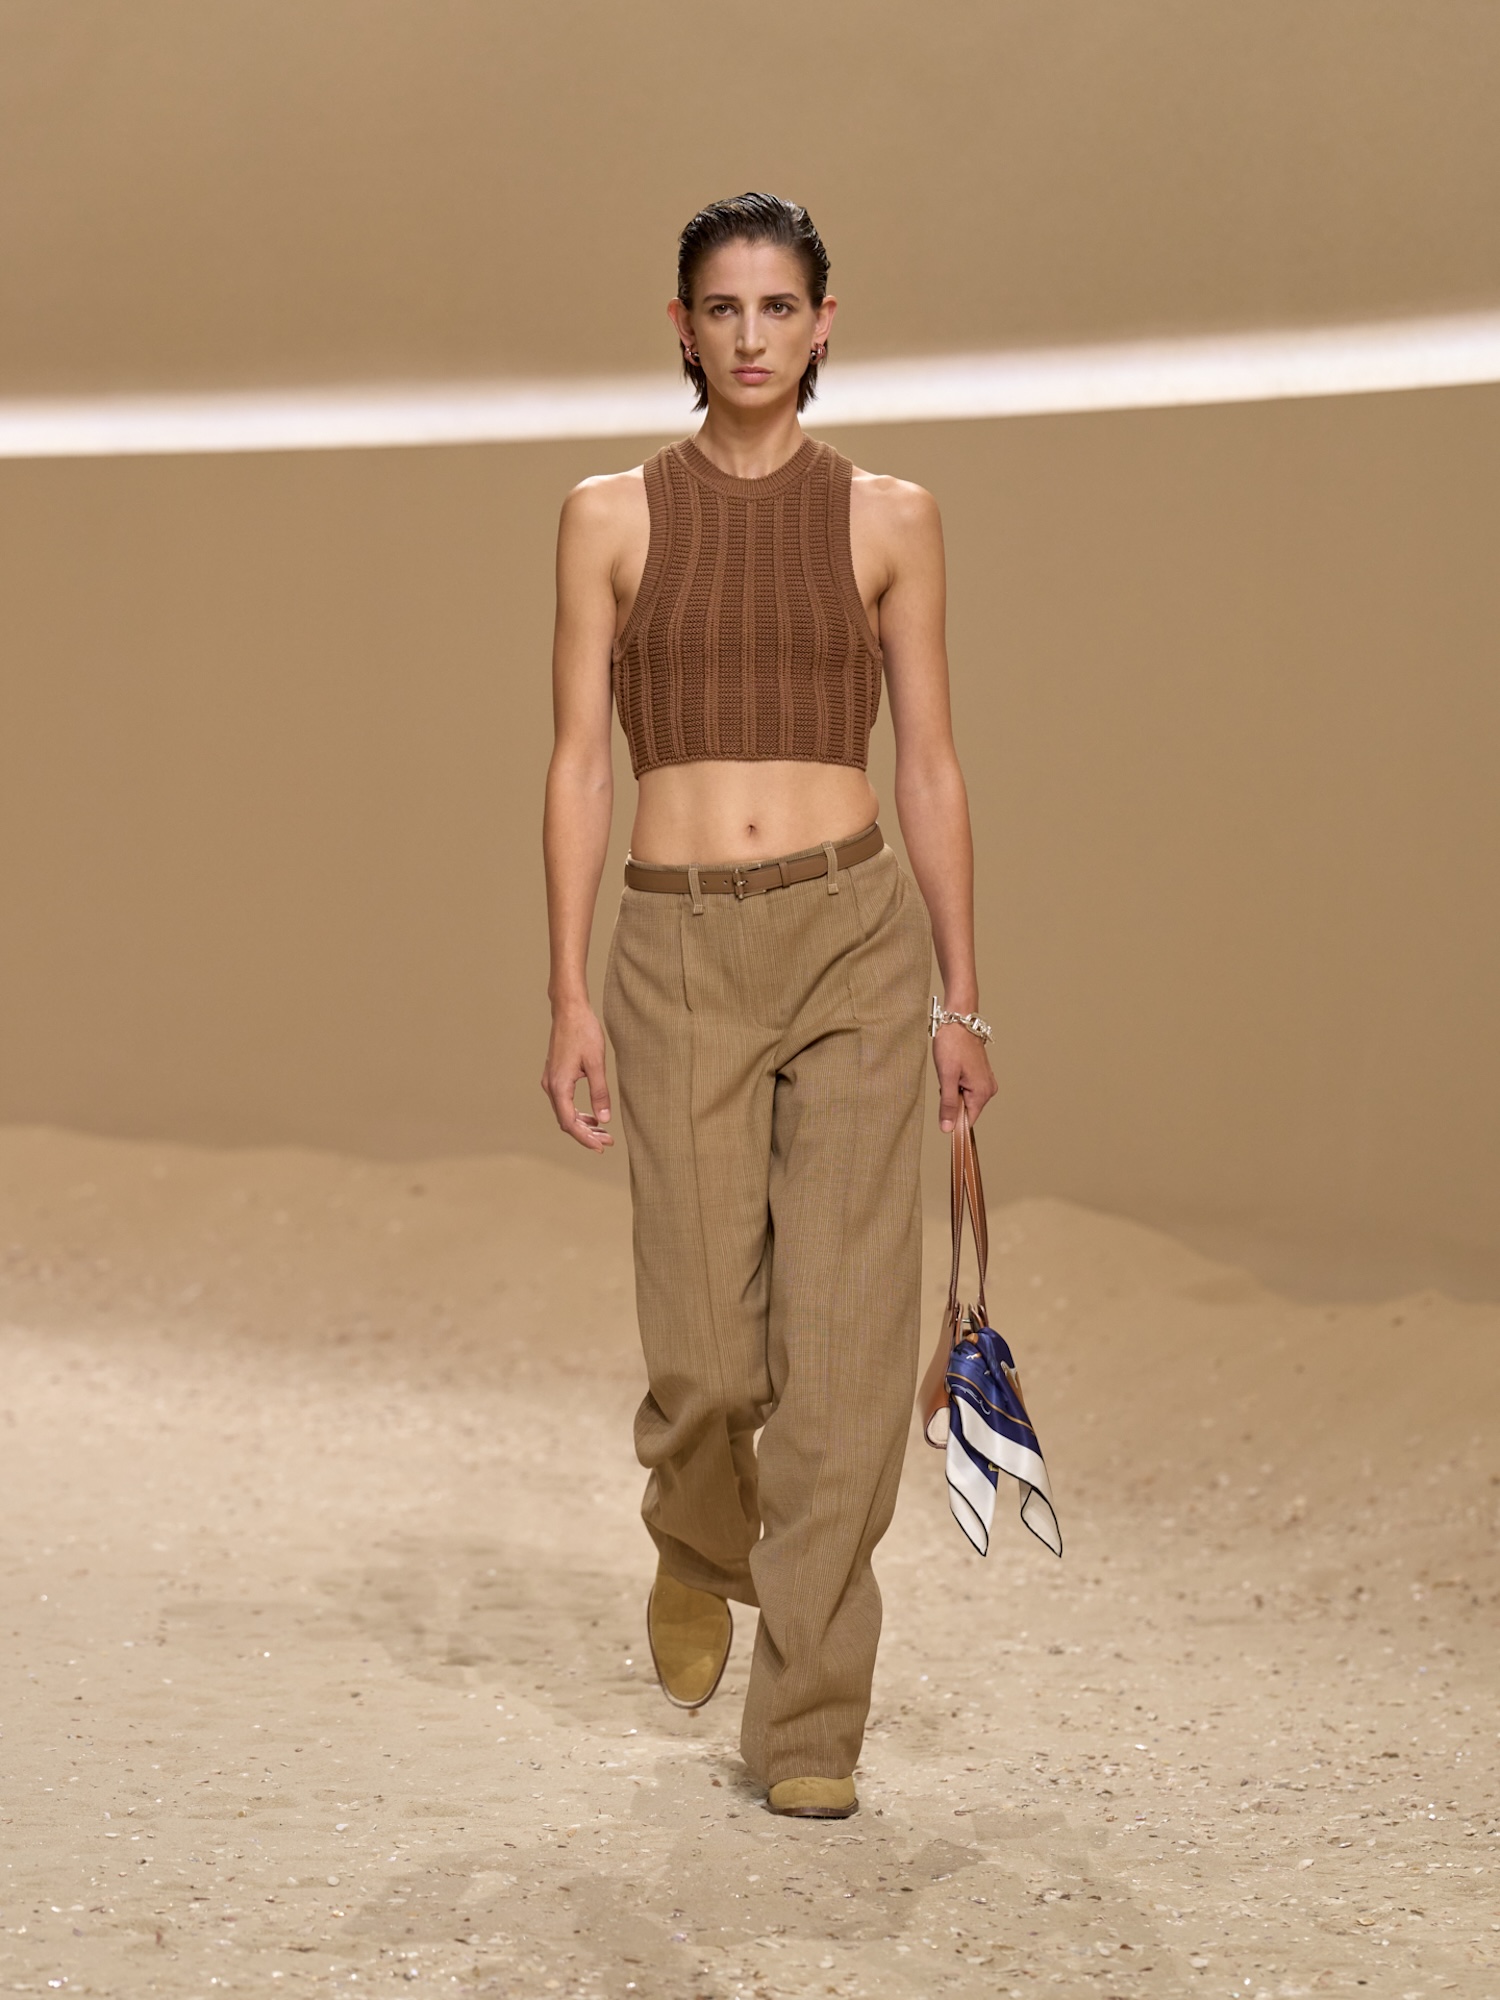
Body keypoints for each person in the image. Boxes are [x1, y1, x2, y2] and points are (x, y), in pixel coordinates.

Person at [541, 192, 996, 1820]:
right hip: (673, 951)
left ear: (822, 325)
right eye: (722, 309)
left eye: (779, 307)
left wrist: (962, 996)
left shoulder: (891, 518)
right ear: (683, 328)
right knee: (708, 1360)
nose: (751, 336)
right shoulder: (608, 516)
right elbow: (578, 765)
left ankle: (807, 1720)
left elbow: (929, 762)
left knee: (848, 1355)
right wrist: (566, 990)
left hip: (853, 943)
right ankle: (694, 1533)